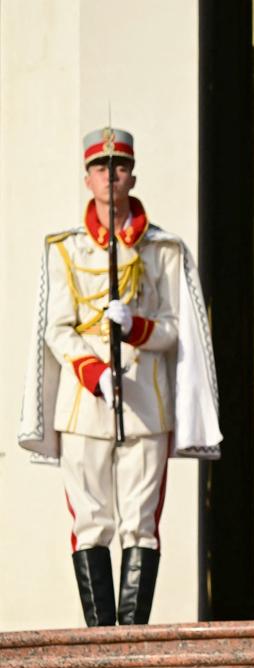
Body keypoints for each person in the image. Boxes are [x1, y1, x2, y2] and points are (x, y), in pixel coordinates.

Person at [18, 126, 221, 627]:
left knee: (140, 524)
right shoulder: (64, 249)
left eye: (120, 165)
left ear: (133, 173)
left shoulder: (164, 249)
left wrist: (136, 328)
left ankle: (132, 635)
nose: (111, 175)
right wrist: (93, 373)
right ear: (87, 177)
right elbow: (56, 328)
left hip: (145, 402)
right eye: (101, 167)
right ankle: (99, 639)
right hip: (84, 404)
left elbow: (180, 330)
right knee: (90, 522)